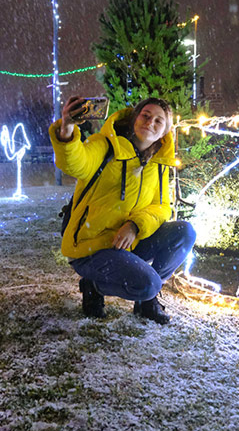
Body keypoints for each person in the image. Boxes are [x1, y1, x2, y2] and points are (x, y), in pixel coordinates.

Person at [49, 96, 196, 324]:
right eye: (146, 115)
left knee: (184, 232)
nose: (150, 123)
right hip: (91, 247)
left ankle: (147, 302)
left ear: (164, 131)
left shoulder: (158, 163)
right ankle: (94, 285)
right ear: (135, 117)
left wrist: (135, 225)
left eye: (158, 121)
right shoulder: (106, 146)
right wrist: (67, 127)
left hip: (127, 244)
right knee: (148, 284)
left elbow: (162, 207)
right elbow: (75, 162)